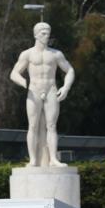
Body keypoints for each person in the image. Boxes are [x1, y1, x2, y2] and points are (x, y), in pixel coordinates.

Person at [10, 22, 75, 167]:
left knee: (52, 125)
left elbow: (70, 70)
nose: (46, 36)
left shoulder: (56, 54)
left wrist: (66, 87)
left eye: (48, 33)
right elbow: (14, 73)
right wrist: (23, 82)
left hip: (51, 89)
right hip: (34, 91)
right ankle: (33, 159)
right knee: (32, 126)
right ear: (35, 35)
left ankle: (53, 159)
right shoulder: (27, 54)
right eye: (43, 33)